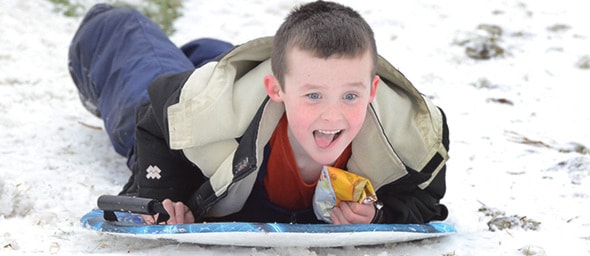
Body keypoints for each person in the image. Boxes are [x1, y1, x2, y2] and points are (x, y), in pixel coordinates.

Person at [68, 0, 450, 225]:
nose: (332, 117)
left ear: (372, 91)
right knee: (139, 67)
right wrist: (164, 196)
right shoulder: (213, 108)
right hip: (216, 102)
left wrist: (379, 214)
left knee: (217, 67)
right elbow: (155, 118)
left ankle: (209, 54)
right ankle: (110, 20)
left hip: (244, 86)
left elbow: (426, 201)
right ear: (277, 90)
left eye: (350, 97)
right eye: (314, 97)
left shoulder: (410, 137)